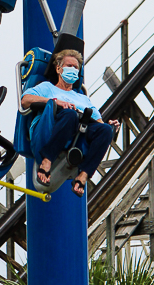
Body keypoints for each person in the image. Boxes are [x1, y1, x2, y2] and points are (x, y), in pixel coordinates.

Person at [20, 49, 120, 197]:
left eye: (76, 67)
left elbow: (99, 123)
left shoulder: (82, 98)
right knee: (70, 114)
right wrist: (54, 101)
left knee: (105, 130)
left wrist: (111, 126)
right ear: (59, 68)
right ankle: (46, 161)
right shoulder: (47, 87)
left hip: (77, 131)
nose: (73, 69)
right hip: (50, 127)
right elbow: (25, 100)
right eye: (69, 66)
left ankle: (83, 176)